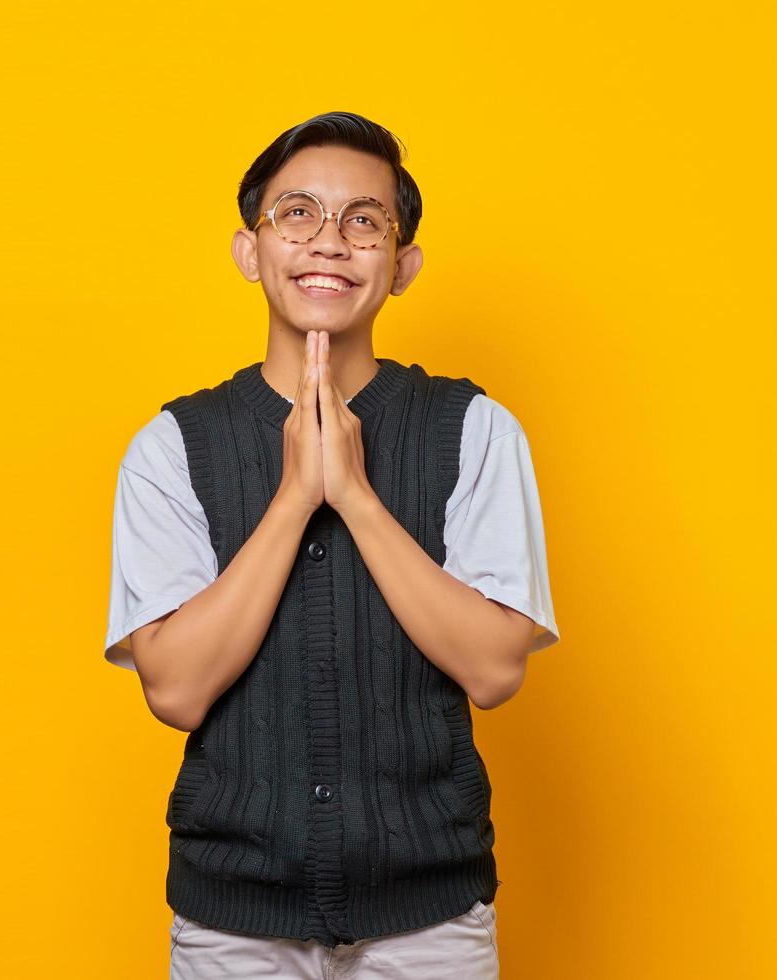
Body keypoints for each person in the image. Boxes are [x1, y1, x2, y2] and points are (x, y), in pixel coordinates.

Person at [103, 111, 560, 978]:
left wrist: (351, 493)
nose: (330, 242)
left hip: (430, 914)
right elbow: (176, 689)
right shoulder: (172, 445)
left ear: (402, 265)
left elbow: (496, 670)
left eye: (364, 220)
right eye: (298, 214)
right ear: (250, 249)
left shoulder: (475, 430)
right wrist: (292, 499)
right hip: (231, 915)